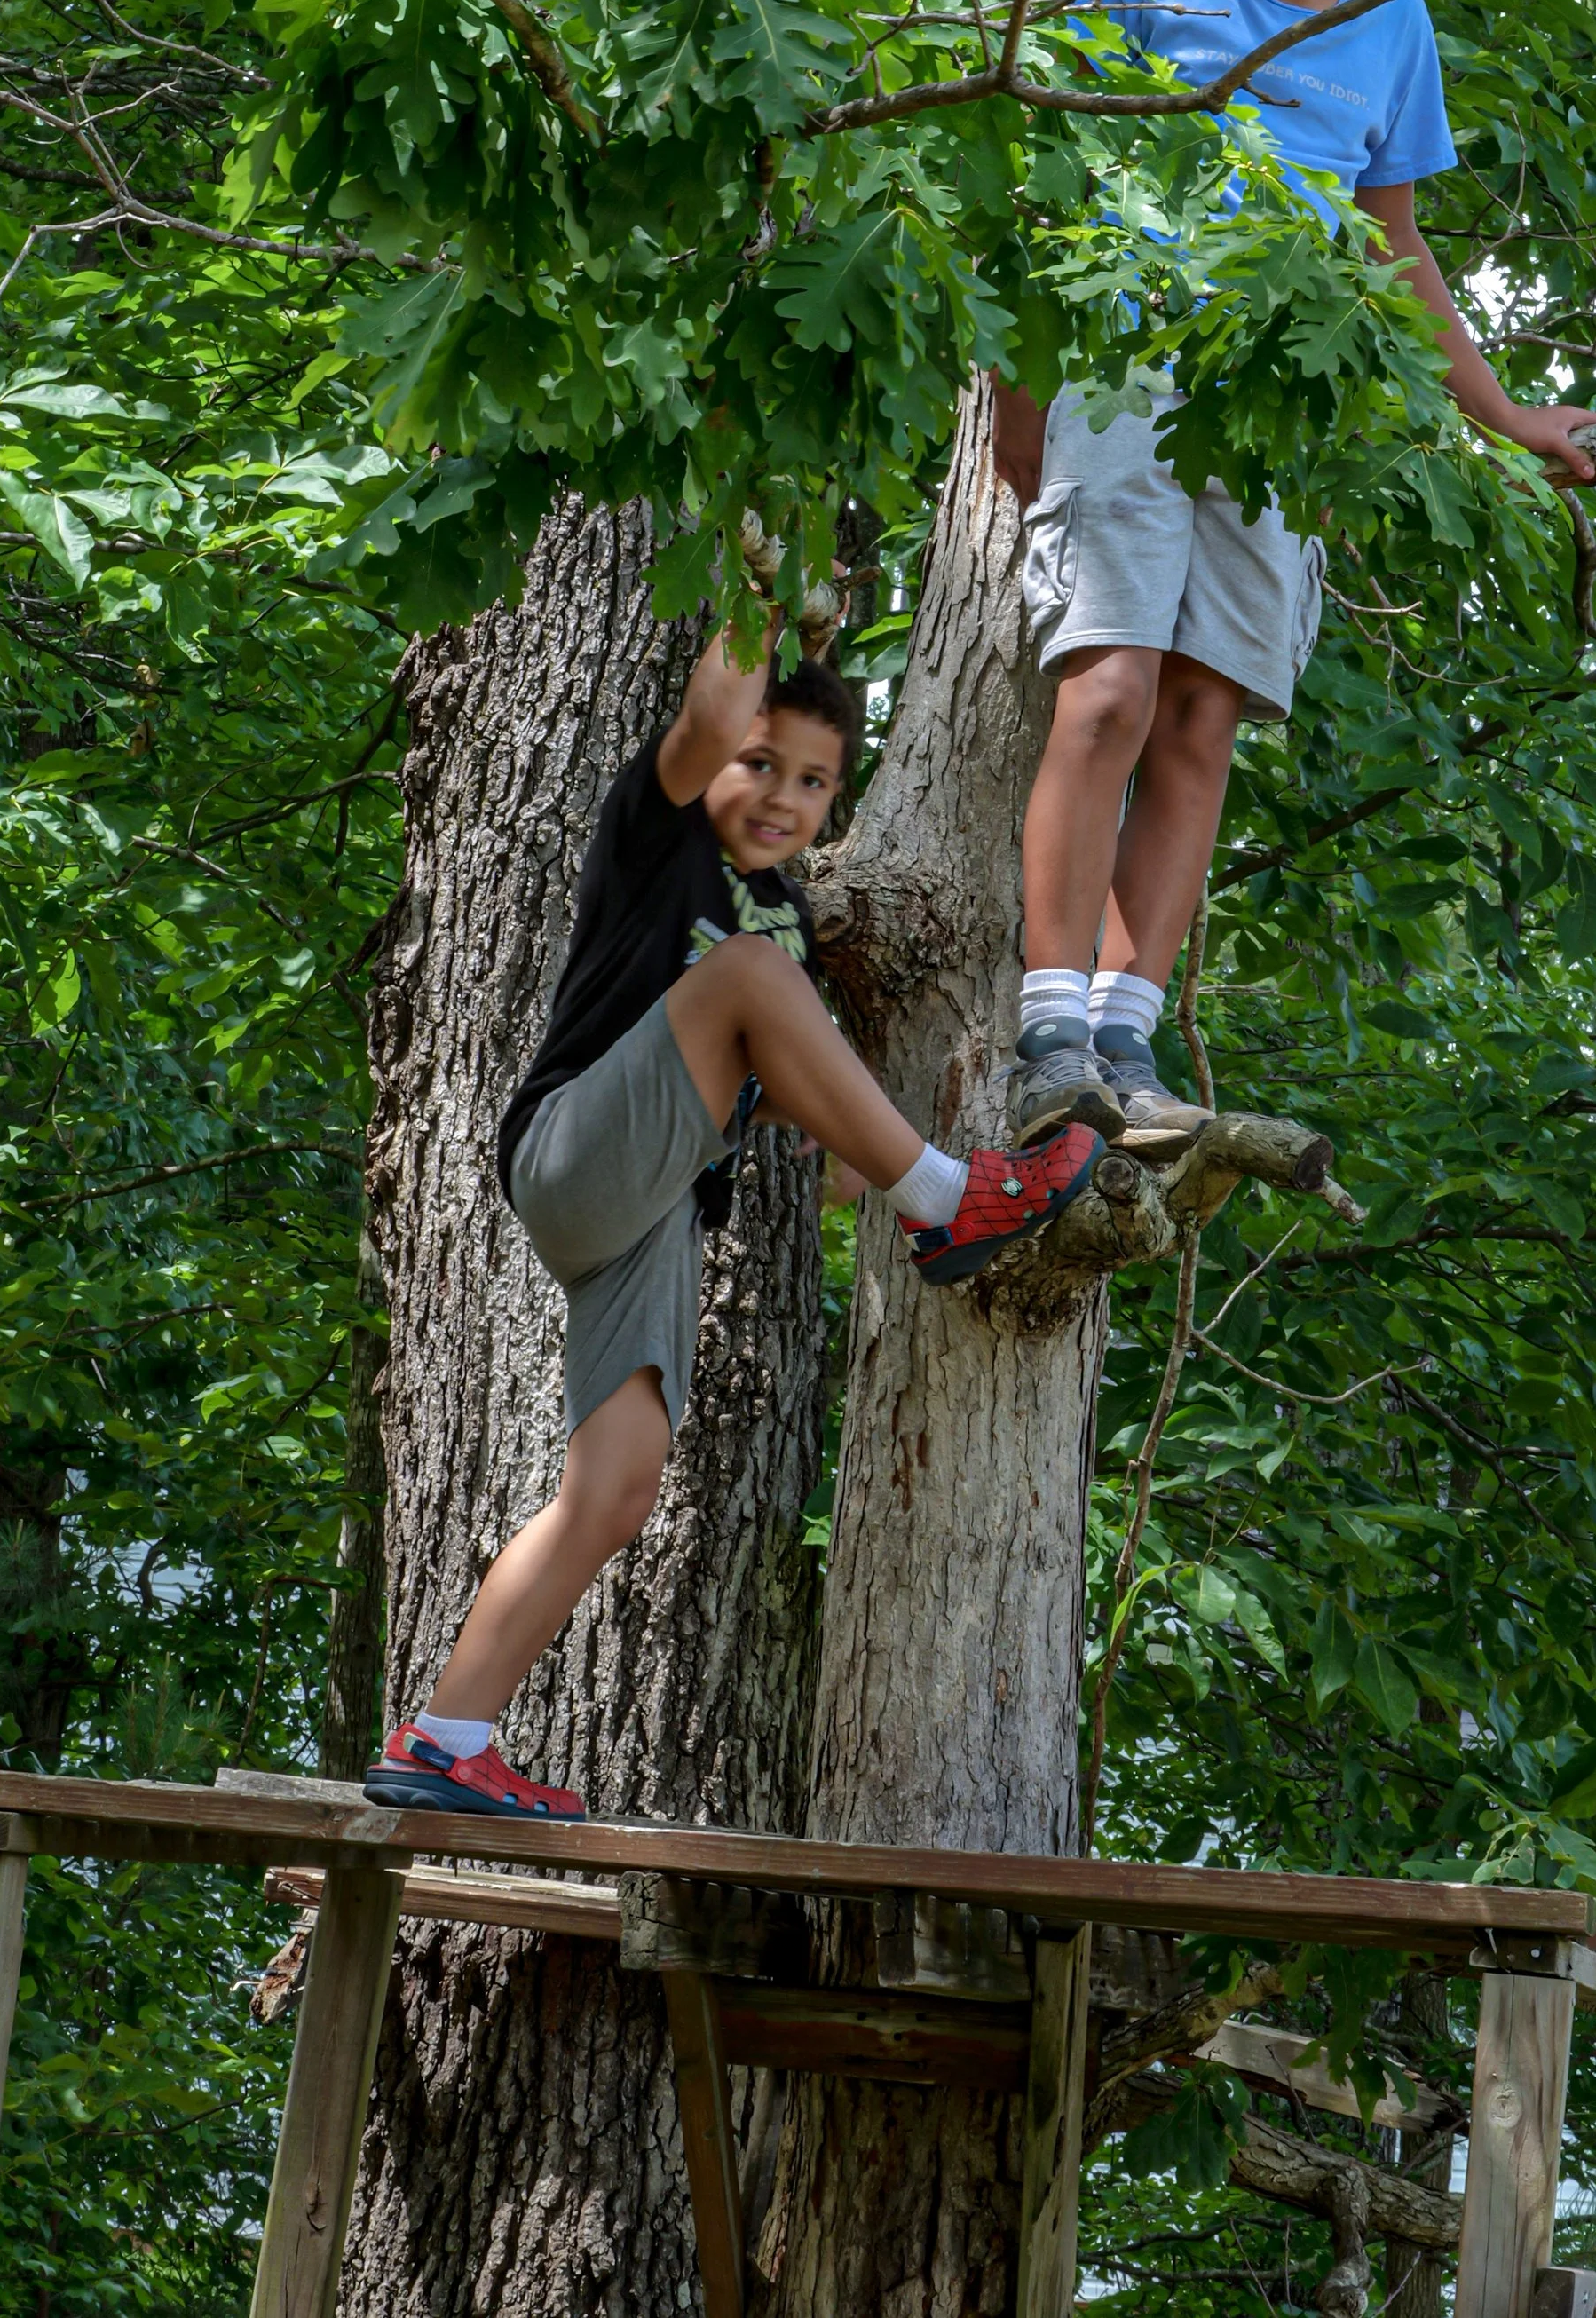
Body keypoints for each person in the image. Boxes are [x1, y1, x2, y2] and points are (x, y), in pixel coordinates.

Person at [365, 623, 1100, 1819]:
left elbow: (789, 1125)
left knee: (617, 1487)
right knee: (758, 981)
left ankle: (445, 1738)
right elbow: (707, 727)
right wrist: (758, 600)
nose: (781, 798)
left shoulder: (785, 923)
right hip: (569, 1152)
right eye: (762, 765)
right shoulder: (656, 843)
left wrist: (856, 1149)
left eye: (814, 782)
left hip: (652, 1208)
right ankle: (952, 1205)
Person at [994, 0, 1596, 1155]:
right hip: (1132, 370)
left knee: (1203, 719)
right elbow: (1046, 187)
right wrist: (1020, 397)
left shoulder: (1391, 24)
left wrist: (1502, 412)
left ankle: (1129, 1036)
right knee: (1109, 693)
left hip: (1282, 412)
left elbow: (1395, 250)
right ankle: (1050, 1038)